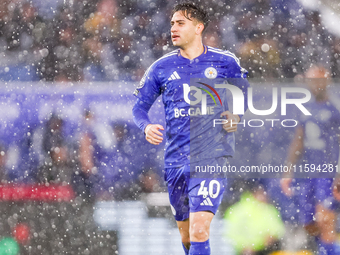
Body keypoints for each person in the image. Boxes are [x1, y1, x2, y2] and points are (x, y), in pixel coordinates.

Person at [132, 3, 249, 254]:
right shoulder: (161, 68)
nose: (173, 28)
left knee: (199, 230)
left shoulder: (225, 62)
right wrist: (146, 126)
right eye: (172, 23)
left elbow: (243, 93)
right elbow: (138, 109)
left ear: (199, 28)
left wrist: (236, 115)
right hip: (175, 162)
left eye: (180, 23)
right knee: (186, 236)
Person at [281, 65, 340, 255]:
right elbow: (298, 142)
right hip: (309, 174)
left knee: (325, 220)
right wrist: (288, 172)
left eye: (318, 80)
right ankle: (324, 250)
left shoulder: (336, 109)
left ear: (326, 81)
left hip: (329, 173)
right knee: (309, 224)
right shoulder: (305, 109)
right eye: (311, 80)